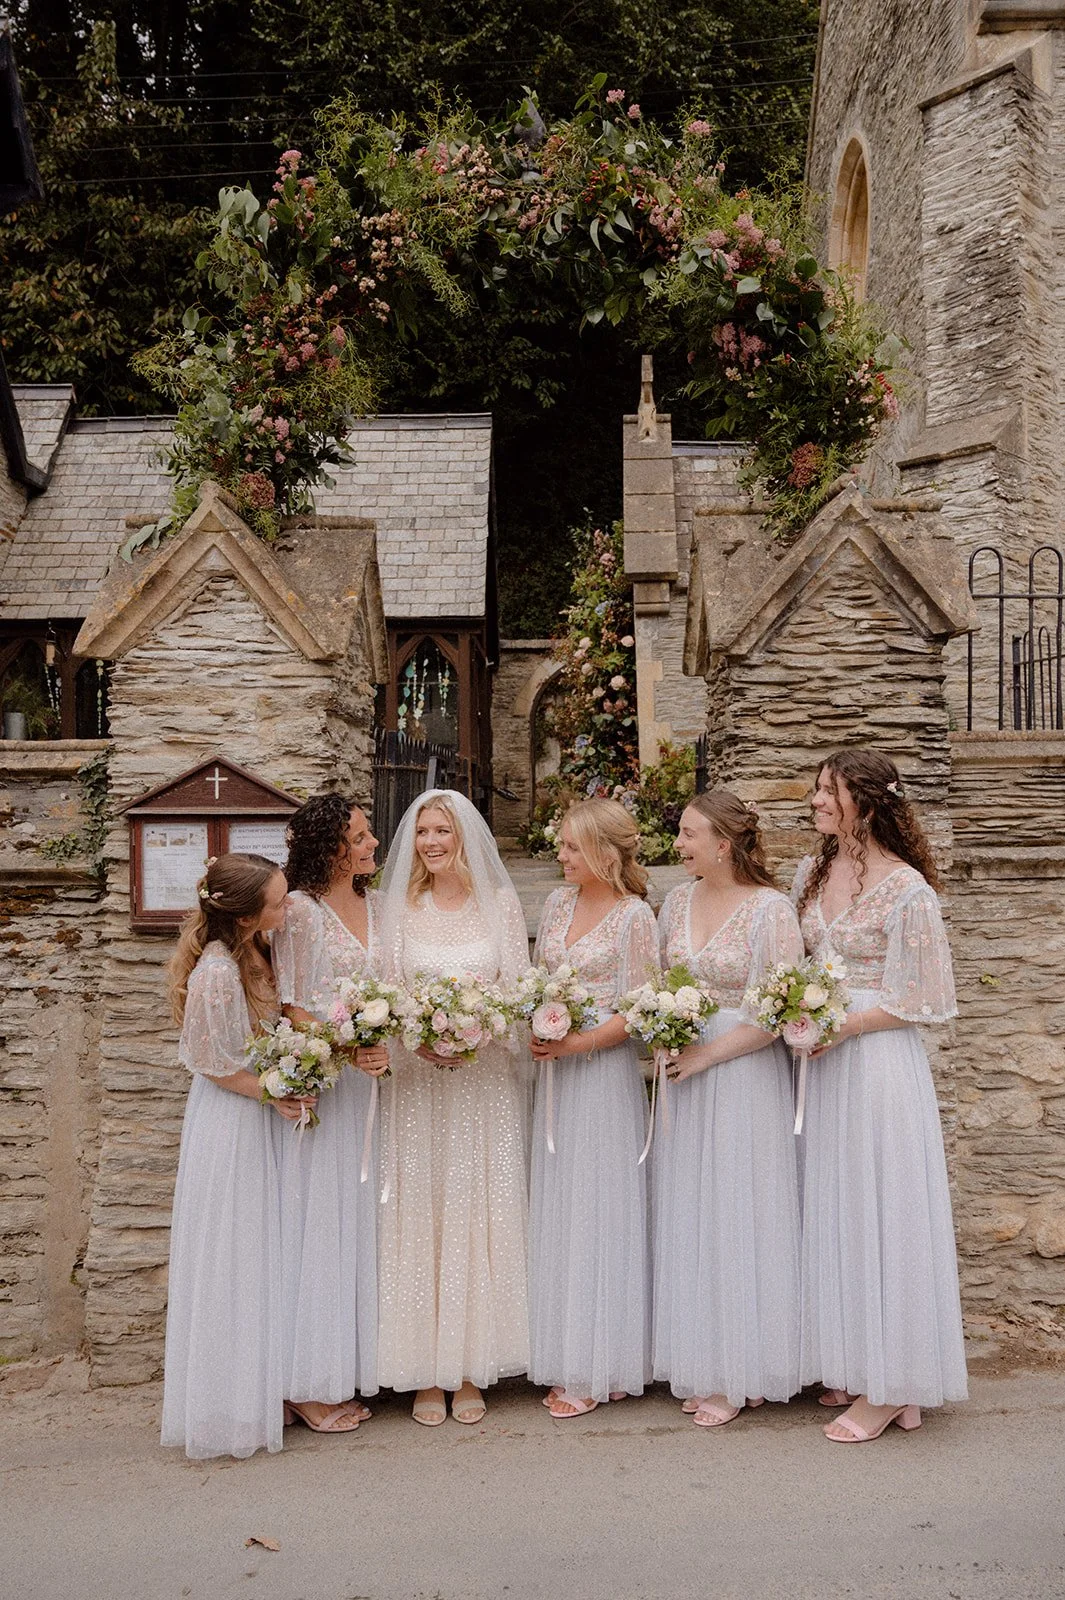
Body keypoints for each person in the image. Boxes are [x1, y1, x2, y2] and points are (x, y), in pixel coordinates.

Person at [793, 748, 968, 1443]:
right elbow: (796, 962)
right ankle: (853, 1359)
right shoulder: (809, 872)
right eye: (813, 791)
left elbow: (923, 999)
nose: (813, 802)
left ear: (862, 804)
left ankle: (892, 1386)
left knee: (883, 1217)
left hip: (876, 1065)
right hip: (823, 1064)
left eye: (825, 792)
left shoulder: (907, 891)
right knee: (835, 1211)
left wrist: (841, 1024)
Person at [376, 789, 531, 1425]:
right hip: (417, 1088)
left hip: (482, 1084)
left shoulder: (500, 904)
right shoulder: (399, 909)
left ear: (466, 838)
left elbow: (520, 994)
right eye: (424, 832)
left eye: (444, 831)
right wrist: (419, 1038)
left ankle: (470, 1367)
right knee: (425, 1212)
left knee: (478, 1209)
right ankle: (424, 1372)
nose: (433, 842)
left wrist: (476, 1033)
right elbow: (382, 996)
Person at [653, 791, 803, 1426]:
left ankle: (746, 1366)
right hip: (685, 1075)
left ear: (725, 844)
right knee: (693, 1210)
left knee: (743, 1211)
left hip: (743, 1077)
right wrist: (666, 1032)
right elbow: (663, 986)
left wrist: (709, 1056)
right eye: (680, 834)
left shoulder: (772, 911)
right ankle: (706, 1353)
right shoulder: (675, 902)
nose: (680, 844)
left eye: (689, 835)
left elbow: (779, 1012)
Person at [160, 852, 297, 1459]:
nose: (287, 908)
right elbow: (214, 1063)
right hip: (232, 1123)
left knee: (260, 1254)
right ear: (246, 917)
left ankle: (263, 1387)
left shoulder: (250, 954)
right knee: (235, 1255)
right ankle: (228, 1405)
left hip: (256, 1115)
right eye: (279, 901)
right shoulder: (216, 971)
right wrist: (278, 1091)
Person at [528, 798, 659, 1418]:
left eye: (571, 847)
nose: (560, 856)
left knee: (599, 1207)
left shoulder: (635, 917)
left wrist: (578, 1040)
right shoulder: (556, 904)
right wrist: (536, 1022)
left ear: (606, 853)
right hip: (553, 1076)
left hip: (601, 1077)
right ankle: (560, 1348)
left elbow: (639, 1008)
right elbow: (536, 978)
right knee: (557, 1204)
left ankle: (599, 1363)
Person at [271, 793, 388, 1433]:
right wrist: (353, 1046)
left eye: (370, 834)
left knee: (359, 1225)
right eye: (362, 836)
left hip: (372, 1087)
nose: (373, 844)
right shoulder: (301, 913)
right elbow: (294, 1006)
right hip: (330, 1086)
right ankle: (307, 1386)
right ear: (331, 848)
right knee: (319, 1226)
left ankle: (346, 1363)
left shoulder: (374, 903)